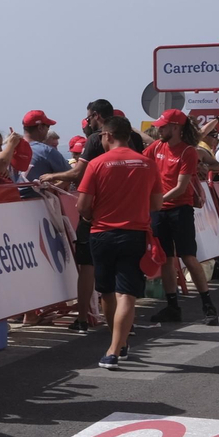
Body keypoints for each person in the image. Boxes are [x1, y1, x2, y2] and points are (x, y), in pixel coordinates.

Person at [40, 100, 145, 332]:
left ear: (96, 117)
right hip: (132, 216)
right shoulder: (134, 141)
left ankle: (84, 319)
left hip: (100, 217)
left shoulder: (96, 139)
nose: (87, 121)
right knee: (125, 275)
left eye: (88, 117)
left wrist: (51, 176)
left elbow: (79, 174)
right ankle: (124, 322)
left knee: (88, 267)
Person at [78, 115, 164, 369]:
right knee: (127, 294)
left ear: (107, 135)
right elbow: (157, 204)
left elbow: (82, 205)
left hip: (101, 234)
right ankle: (117, 347)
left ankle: (117, 346)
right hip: (135, 234)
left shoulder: (97, 164)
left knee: (106, 291)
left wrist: (93, 215)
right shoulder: (147, 164)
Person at [144, 109, 219, 325]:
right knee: (166, 259)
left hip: (180, 210)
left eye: (164, 126)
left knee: (188, 257)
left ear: (176, 127)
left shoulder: (188, 152)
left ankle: (208, 305)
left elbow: (181, 187)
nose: (159, 129)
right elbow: (140, 162)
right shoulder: (157, 146)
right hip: (160, 210)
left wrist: (155, 202)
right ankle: (172, 307)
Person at [22, 110, 71, 181]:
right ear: (40, 128)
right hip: (36, 192)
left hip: (12, 191)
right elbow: (71, 175)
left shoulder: (8, 149)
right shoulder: (46, 151)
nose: (48, 129)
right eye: (48, 126)